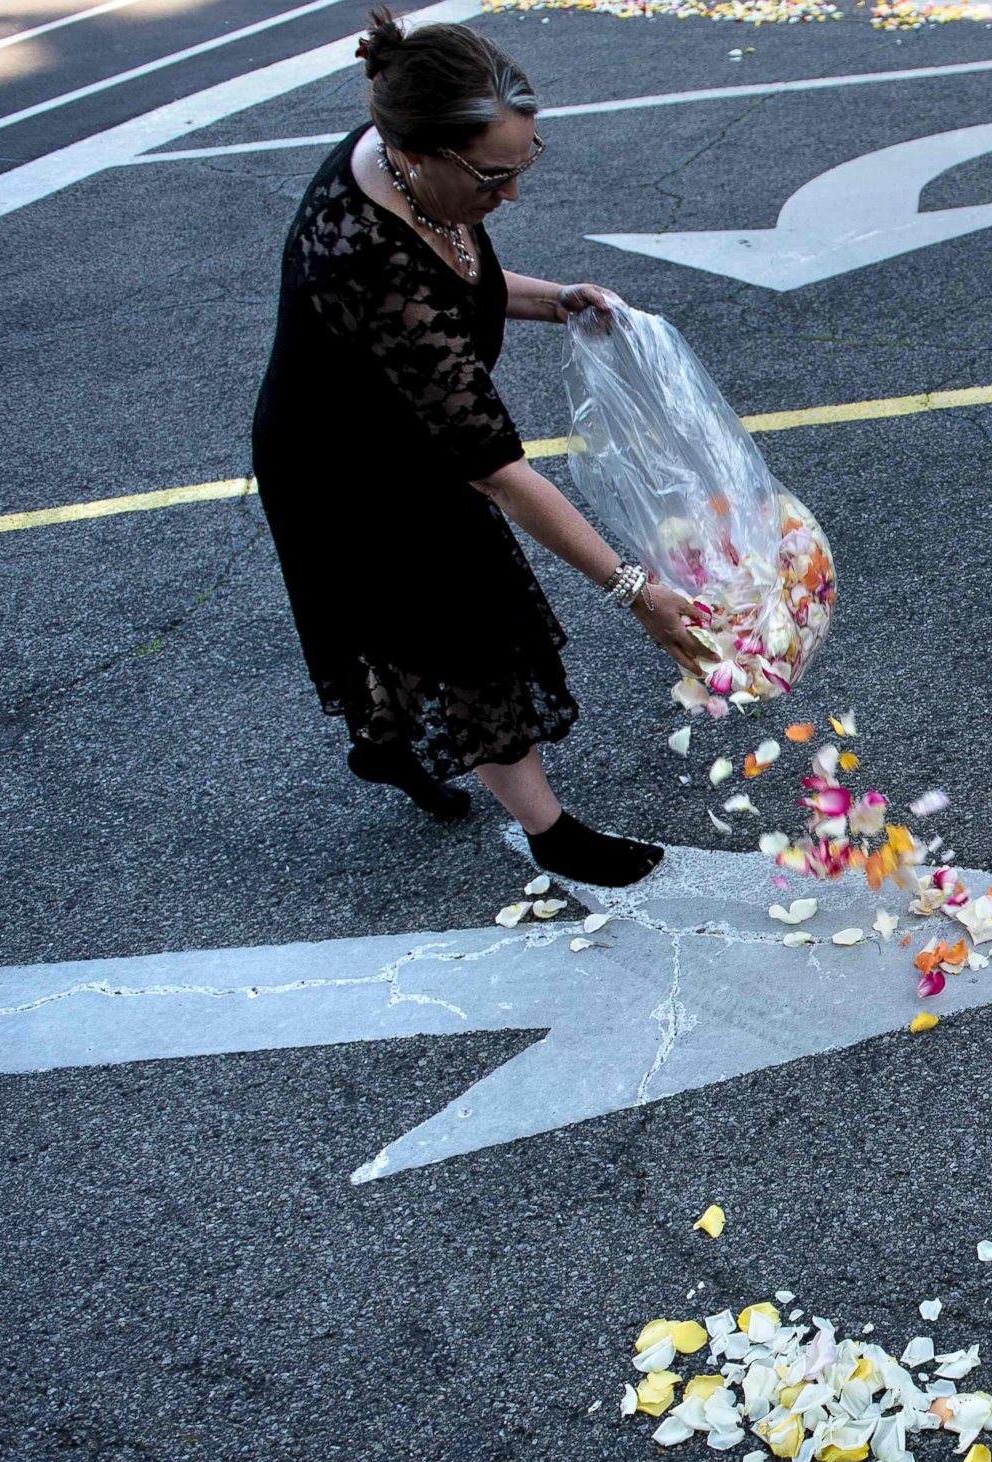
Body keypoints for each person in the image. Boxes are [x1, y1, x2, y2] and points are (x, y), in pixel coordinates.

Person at [251, 6, 704, 888]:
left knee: (429, 622)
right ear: (418, 152)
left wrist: (554, 298)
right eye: (494, 176)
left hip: (401, 435)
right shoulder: (366, 264)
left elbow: (461, 280)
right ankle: (552, 833)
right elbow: (497, 468)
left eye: (524, 162)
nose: (512, 194)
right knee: (470, 628)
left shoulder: (414, 164)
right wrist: (635, 590)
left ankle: (388, 746)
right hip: (345, 468)